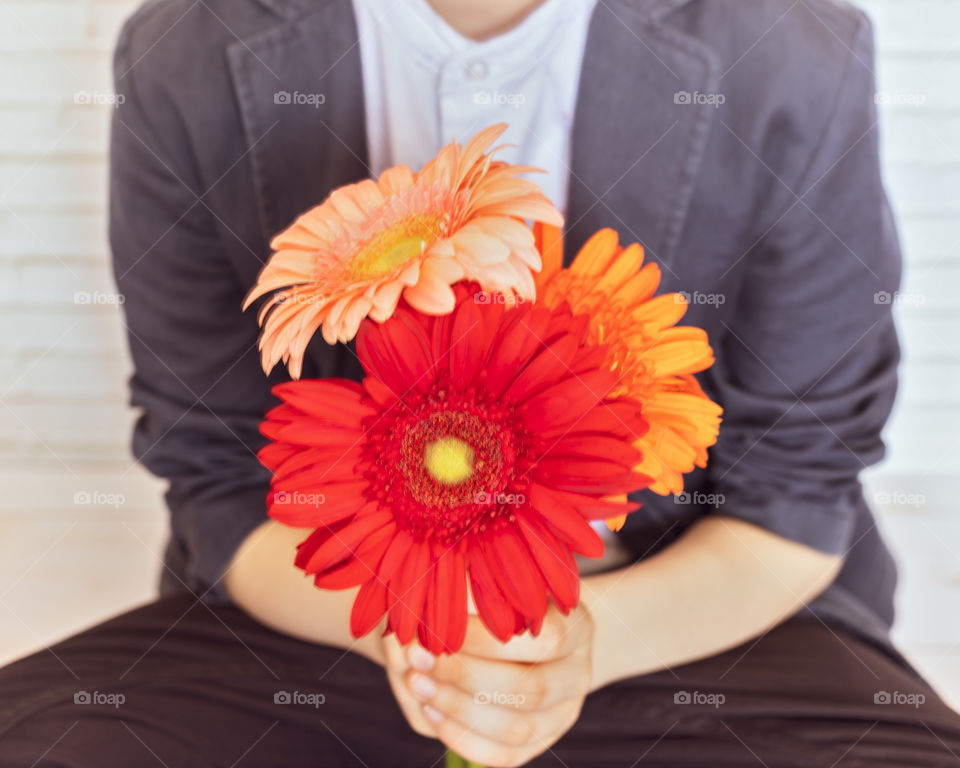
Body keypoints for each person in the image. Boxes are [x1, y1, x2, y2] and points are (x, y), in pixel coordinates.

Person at [2, 0, 959, 765]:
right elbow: (217, 475)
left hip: (688, 619)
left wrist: (578, 646)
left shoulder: (794, 54)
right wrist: (424, 650)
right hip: (327, 623)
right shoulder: (185, 55)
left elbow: (798, 489)